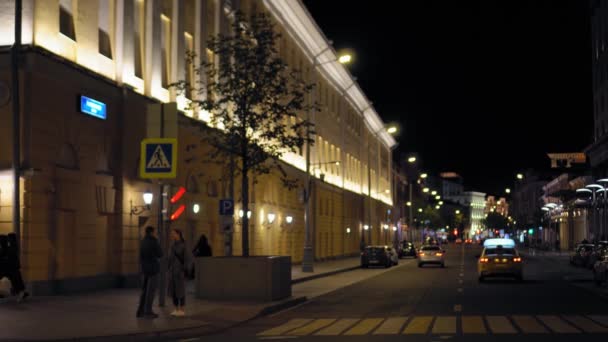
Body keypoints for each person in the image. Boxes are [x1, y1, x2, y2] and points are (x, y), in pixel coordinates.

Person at [137, 226, 162, 319]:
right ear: (151, 232)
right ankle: (148, 311)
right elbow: (160, 254)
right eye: (154, 232)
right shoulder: (153, 241)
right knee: (151, 291)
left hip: (144, 269)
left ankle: (140, 311)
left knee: (144, 291)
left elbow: (141, 256)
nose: (155, 233)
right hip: (153, 269)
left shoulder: (143, 242)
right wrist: (157, 242)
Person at [168, 228, 188, 317]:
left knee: (181, 291)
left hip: (179, 271)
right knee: (174, 291)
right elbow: (170, 258)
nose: (172, 235)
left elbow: (187, 259)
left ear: (178, 234)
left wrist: (183, 269)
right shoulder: (172, 245)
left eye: (174, 234)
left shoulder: (183, 245)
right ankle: (176, 309)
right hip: (172, 271)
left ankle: (182, 309)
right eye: (172, 234)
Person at [7, 233, 28, 301]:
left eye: (9, 238)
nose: (8, 239)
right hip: (14, 266)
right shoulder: (13, 246)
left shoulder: (12, 246)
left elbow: (12, 256)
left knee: (17, 279)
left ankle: (20, 292)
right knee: (17, 279)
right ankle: (20, 291)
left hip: (13, 266)